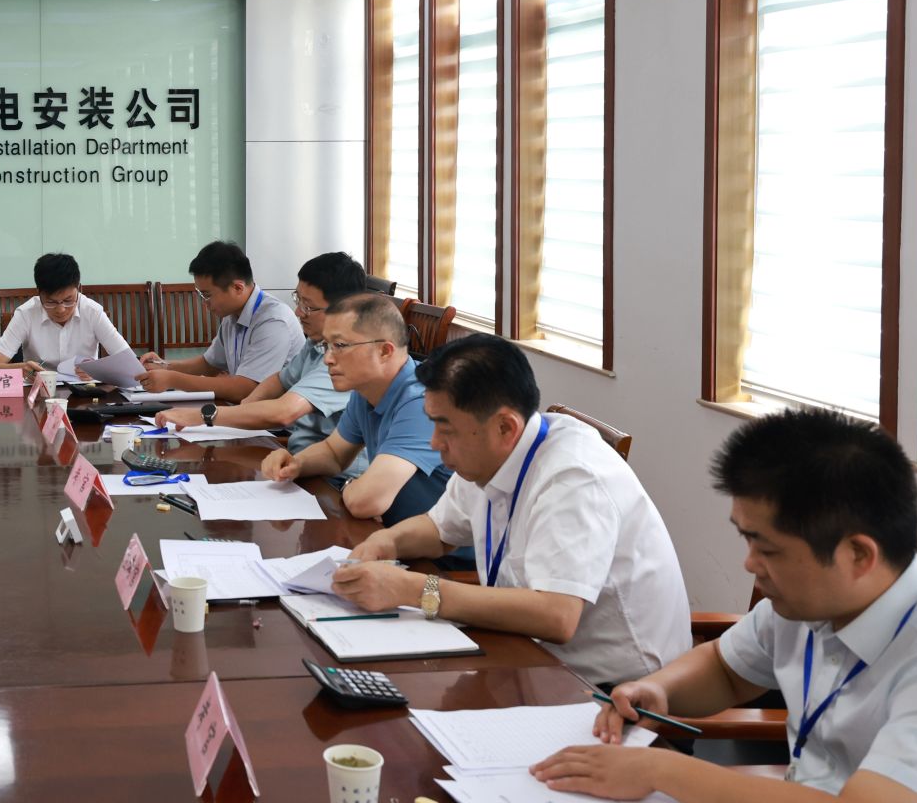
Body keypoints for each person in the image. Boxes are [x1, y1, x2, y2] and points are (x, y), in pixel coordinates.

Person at [532, 410, 917, 803]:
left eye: (767, 548)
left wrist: (659, 771)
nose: (749, 563)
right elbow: (726, 670)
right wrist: (658, 688)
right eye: (746, 538)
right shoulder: (812, 603)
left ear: (858, 555)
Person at [333, 334, 691, 688]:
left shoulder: (573, 477)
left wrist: (417, 590)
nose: (434, 442)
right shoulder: (490, 455)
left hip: (615, 691)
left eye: (445, 428)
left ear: (505, 427)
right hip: (525, 659)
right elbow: (438, 528)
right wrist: (388, 541)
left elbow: (556, 615)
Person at [255, 293, 455, 524]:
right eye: (326, 346)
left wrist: (349, 485)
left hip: (443, 544)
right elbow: (333, 453)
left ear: (385, 351)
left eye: (339, 346)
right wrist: (296, 464)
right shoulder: (366, 391)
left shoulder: (422, 402)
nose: (327, 359)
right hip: (396, 532)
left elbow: (366, 502)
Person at [154, 251, 364, 451]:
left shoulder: (347, 358)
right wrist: (248, 403)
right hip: (300, 455)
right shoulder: (317, 343)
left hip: (326, 468)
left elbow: (284, 412)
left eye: (308, 306)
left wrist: (203, 415)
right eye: (298, 299)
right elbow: (281, 379)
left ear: (345, 310)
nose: (298, 312)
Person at [138, 240, 305, 402]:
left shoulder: (273, 321)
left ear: (237, 288)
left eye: (207, 295)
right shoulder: (232, 315)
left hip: (277, 418)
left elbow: (245, 390)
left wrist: (172, 379)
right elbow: (209, 364)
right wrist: (164, 365)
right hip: (247, 410)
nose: (204, 303)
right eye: (201, 295)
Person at [0, 252, 131, 373]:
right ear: (39, 293)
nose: (61, 310)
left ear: (78, 288)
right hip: (39, 391)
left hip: (86, 392)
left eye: (68, 300)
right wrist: (19, 369)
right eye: (51, 302)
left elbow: (128, 361)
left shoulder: (92, 312)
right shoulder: (26, 314)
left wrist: (97, 370)